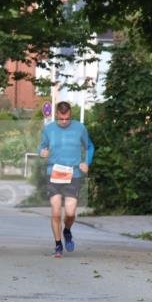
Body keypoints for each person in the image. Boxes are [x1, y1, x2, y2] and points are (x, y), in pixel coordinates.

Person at [38, 101, 94, 258]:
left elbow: (90, 147)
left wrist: (86, 162)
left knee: (70, 213)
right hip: (54, 173)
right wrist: (42, 152)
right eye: (61, 119)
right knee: (56, 211)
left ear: (71, 115)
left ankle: (67, 230)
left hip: (73, 174)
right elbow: (41, 146)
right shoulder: (49, 129)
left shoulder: (80, 128)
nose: (64, 122)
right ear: (56, 115)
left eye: (67, 119)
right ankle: (58, 245)